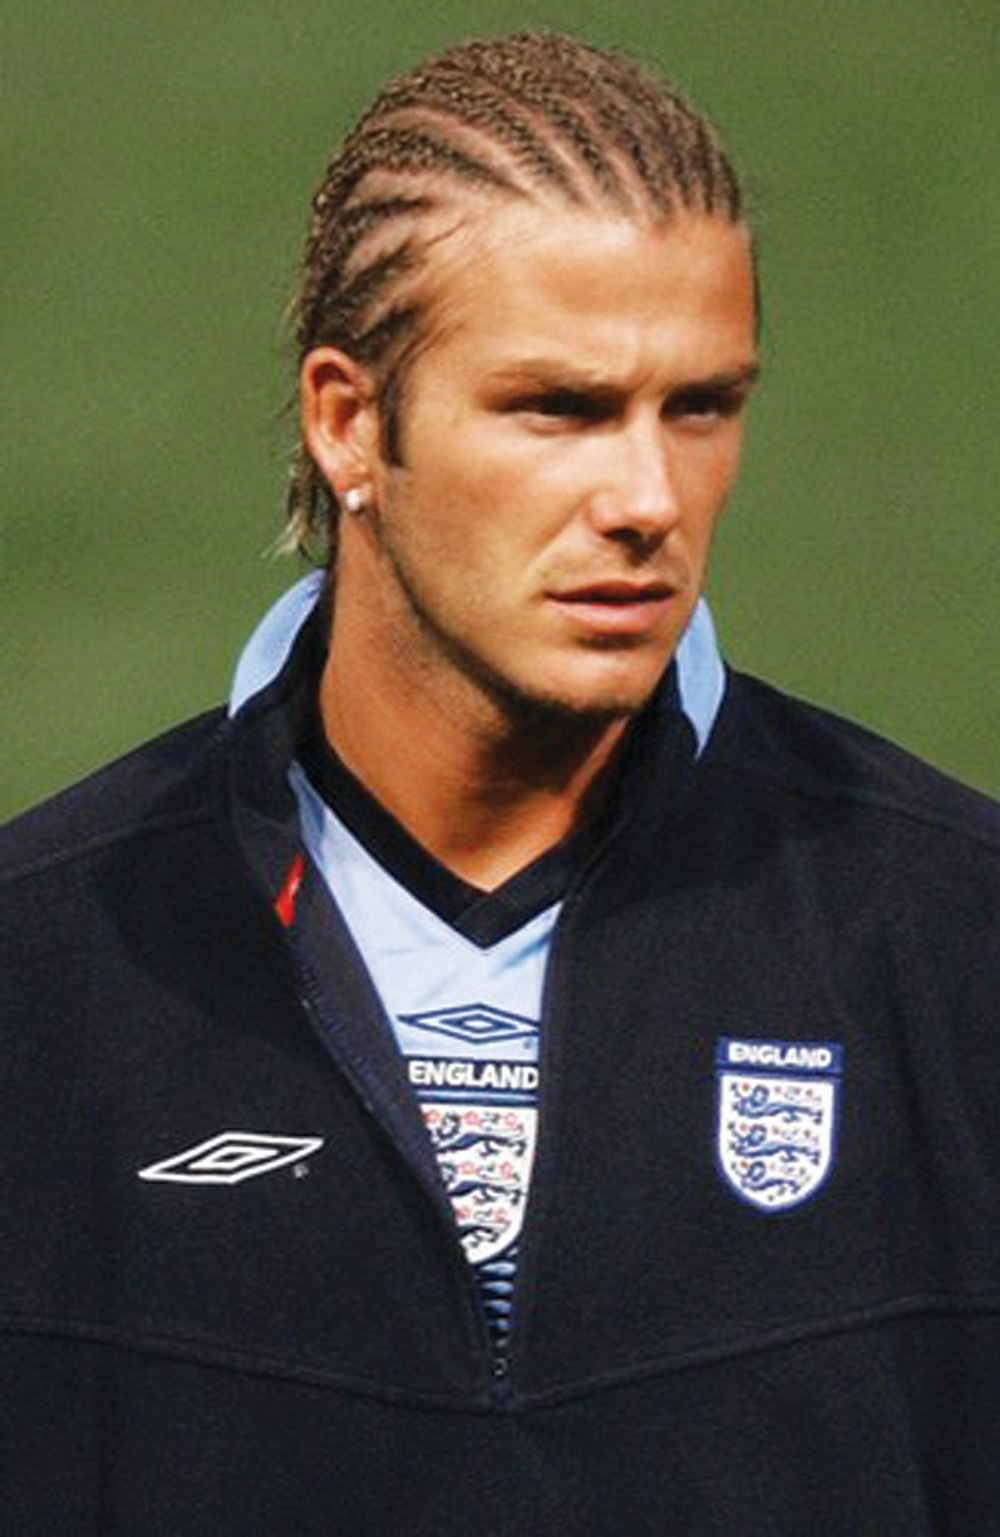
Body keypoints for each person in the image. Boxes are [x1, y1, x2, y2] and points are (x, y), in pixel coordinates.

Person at [2, 29, 1000, 1535]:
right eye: (560, 409)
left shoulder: (954, 940)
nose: (649, 499)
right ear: (350, 422)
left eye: (701, 407)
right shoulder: (40, 972)